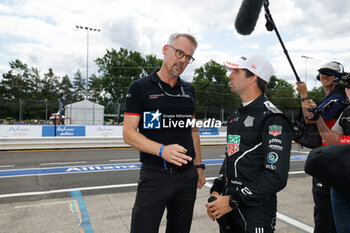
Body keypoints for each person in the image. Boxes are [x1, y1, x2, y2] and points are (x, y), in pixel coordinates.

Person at [123, 33, 206, 233]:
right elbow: (128, 133)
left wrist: (199, 167)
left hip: (186, 177)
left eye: (188, 57)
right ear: (165, 50)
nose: (183, 60)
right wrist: (162, 150)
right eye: (179, 53)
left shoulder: (189, 90)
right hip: (155, 176)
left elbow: (192, 130)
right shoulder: (140, 87)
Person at [206, 55, 292, 233]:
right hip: (228, 207)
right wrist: (217, 190)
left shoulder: (273, 118)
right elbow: (230, 156)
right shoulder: (236, 116)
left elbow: (276, 176)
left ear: (253, 77)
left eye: (236, 71)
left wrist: (232, 201)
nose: (230, 76)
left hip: (255, 210)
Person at [296, 61, 346, 233]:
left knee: (325, 215)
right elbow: (310, 118)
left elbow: (310, 119)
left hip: (334, 160)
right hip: (329, 155)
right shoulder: (329, 99)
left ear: (338, 79)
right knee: (325, 212)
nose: (324, 76)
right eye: (322, 73)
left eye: (329, 73)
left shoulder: (337, 99)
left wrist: (303, 96)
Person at [306, 86, 350, 233]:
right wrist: (319, 119)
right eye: (347, 87)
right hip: (342, 182)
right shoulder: (346, 112)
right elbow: (332, 140)